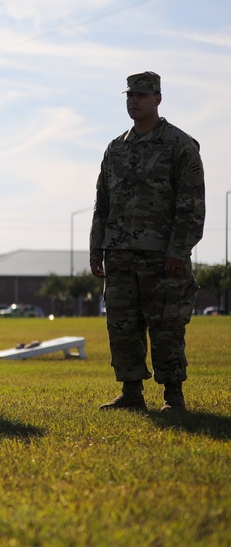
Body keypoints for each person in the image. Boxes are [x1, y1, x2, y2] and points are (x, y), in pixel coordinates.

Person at [90, 71, 205, 412]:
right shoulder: (115, 148)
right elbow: (102, 204)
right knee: (122, 325)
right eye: (130, 95)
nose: (134, 100)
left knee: (166, 326)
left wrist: (178, 250)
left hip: (162, 256)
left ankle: (173, 396)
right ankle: (131, 393)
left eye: (141, 95)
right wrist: (98, 248)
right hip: (120, 255)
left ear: (157, 98)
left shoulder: (179, 145)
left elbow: (191, 205)